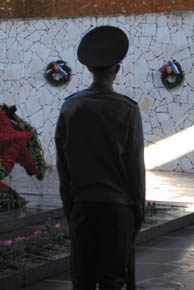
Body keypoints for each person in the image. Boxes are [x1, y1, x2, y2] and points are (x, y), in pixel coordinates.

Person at [55, 25, 145, 290]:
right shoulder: (127, 110)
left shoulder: (70, 107)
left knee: (82, 280)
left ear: (88, 69)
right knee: (112, 280)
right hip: (117, 211)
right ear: (117, 69)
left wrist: (70, 208)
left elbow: (63, 165)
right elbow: (135, 167)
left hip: (83, 207)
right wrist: (138, 212)